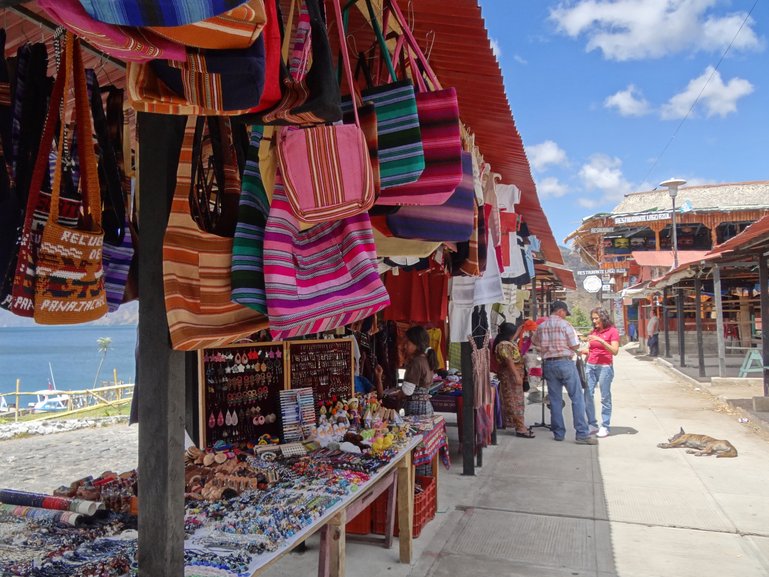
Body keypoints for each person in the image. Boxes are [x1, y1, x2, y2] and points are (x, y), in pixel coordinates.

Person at [532, 301, 596, 445]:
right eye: (565, 313)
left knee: (555, 400)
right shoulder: (565, 325)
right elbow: (574, 345)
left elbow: (534, 341)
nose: (565, 316)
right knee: (577, 398)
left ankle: (559, 433)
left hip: (549, 364)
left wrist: (545, 348)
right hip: (565, 362)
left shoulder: (541, 326)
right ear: (561, 311)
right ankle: (581, 434)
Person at [582, 307, 620, 438]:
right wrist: (581, 350)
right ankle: (592, 423)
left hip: (605, 367)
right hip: (590, 365)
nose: (594, 321)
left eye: (596, 318)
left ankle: (605, 425)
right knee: (587, 394)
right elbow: (591, 349)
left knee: (605, 397)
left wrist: (601, 341)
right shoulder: (594, 331)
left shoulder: (612, 331)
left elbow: (615, 351)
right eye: (593, 318)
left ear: (603, 317)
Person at [493, 322, 534, 438]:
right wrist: (516, 375)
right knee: (515, 401)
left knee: (517, 400)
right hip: (511, 375)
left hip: (513, 374)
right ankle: (520, 427)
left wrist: (520, 328)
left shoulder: (506, 342)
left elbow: (513, 336)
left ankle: (519, 425)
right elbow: (509, 361)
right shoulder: (504, 345)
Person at [400, 326, 439, 418]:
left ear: (416, 343)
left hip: (416, 409)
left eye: (407, 342)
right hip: (425, 406)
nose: (405, 346)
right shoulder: (426, 359)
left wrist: (398, 393)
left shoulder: (416, 362)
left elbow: (407, 391)